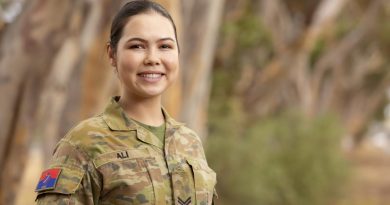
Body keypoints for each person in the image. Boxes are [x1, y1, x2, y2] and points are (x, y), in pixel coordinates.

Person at [34, 1, 217, 204]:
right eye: (137, 46)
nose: (152, 58)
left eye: (165, 46)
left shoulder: (190, 143)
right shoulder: (82, 144)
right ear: (112, 54)